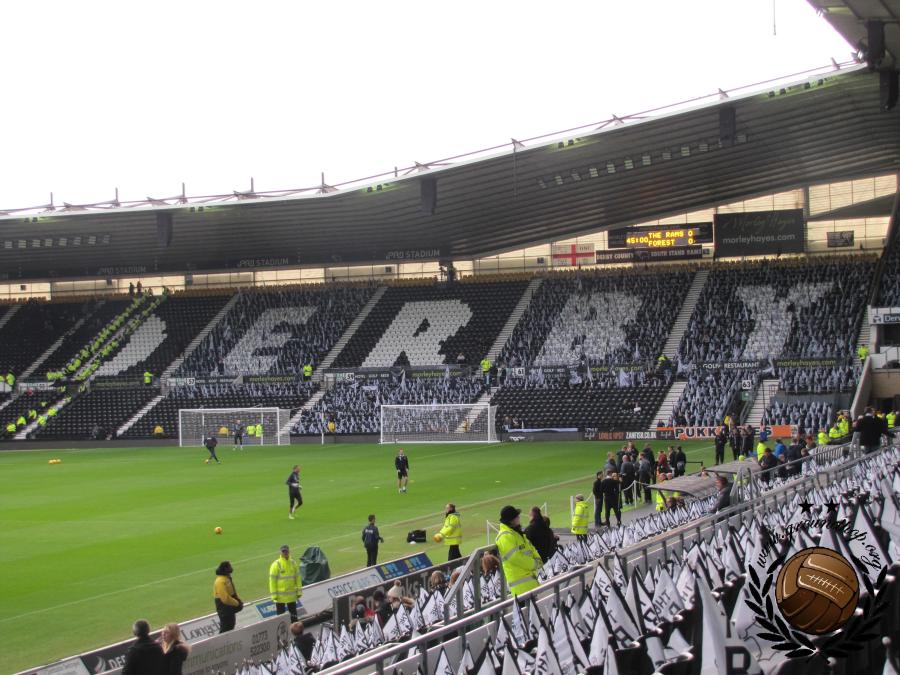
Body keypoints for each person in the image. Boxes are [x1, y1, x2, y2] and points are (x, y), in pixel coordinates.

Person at [495, 505, 541, 596]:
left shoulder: (516, 533)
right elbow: (516, 558)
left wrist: (538, 560)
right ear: (511, 520)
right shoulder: (505, 536)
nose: (519, 518)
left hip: (528, 583)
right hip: (521, 587)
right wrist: (535, 564)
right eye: (517, 516)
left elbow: (530, 548)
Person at [269, 545, 302, 622]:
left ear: (289, 551)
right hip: (280, 598)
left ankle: (295, 628)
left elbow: (298, 578)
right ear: (280, 552)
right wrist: (274, 595)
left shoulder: (293, 563)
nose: (285, 553)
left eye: (286, 551)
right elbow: (272, 581)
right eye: (283, 551)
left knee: (294, 617)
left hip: (291, 596)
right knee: (281, 619)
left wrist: (299, 591)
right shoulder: (276, 564)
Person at [214, 561, 242, 633]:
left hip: (229, 606)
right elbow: (225, 598)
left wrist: (238, 600)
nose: (231, 568)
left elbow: (232, 592)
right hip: (224, 607)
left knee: (231, 625)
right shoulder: (220, 581)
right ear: (225, 569)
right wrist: (237, 603)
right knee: (226, 627)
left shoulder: (227, 578)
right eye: (230, 566)